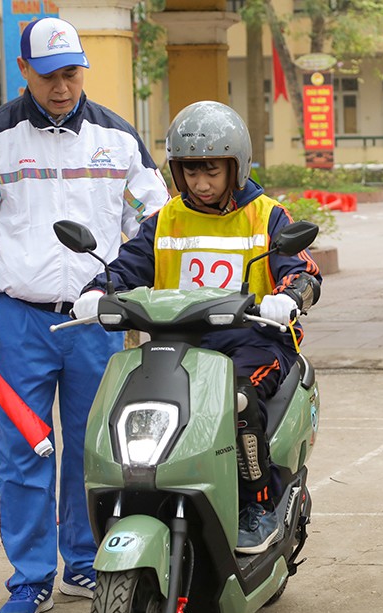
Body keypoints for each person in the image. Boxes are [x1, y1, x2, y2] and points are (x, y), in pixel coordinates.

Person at [0, 17, 170, 613]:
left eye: (71, 74)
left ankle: (86, 563)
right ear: (24, 72)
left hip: (98, 321)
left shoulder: (119, 139)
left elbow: (159, 224)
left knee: (97, 450)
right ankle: (30, 577)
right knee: (23, 449)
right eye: (48, 77)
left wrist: (162, 297)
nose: (62, 88)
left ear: (83, 69)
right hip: (21, 320)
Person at [72, 100, 322, 555]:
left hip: (254, 344)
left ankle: (257, 504)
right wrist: (96, 289)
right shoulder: (166, 218)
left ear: (236, 166)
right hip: (178, 345)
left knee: (239, 398)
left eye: (211, 171)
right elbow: (127, 265)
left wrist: (289, 297)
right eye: (189, 172)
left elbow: (304, 271)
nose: (200, 183)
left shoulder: (267, 216)